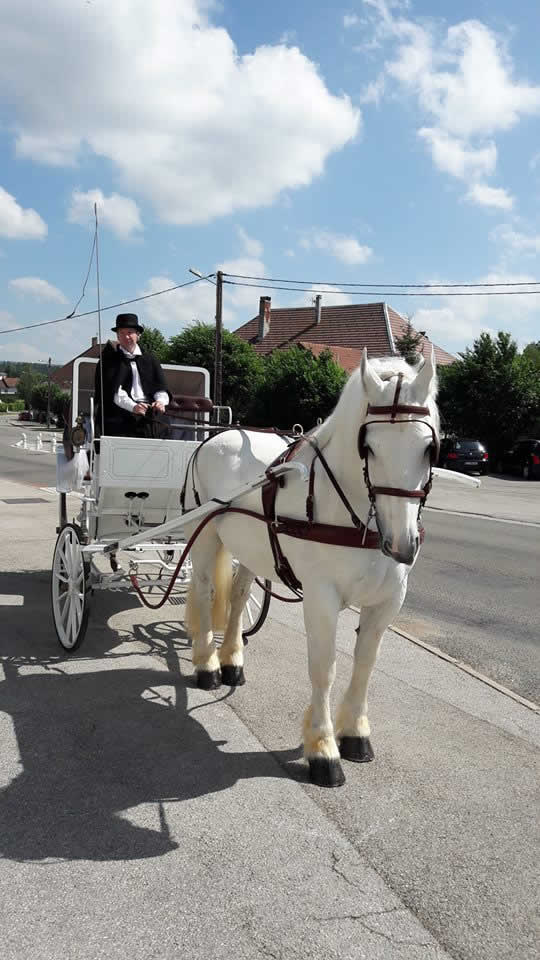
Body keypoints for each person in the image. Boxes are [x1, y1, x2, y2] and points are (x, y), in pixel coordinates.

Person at [94, 313, 171, 438]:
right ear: (117, 336)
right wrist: (134, 407)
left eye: (130, 332)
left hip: (150, 410)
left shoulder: (151, 359)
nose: (126, 336)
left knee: (163, 425)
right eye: (122, 333)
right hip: (120, 412)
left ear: (138, 335)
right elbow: (115, 393)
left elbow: (160, 387)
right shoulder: (108, 361)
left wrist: (160, 402)